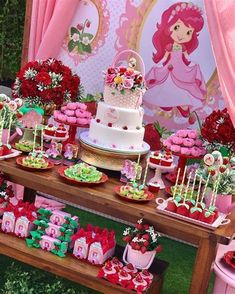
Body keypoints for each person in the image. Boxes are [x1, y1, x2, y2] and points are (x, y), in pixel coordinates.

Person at [144, 2, 206, 118]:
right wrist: (161, 62)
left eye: (188, 32)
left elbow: (187, 57)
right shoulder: (168, 47)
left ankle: (182, 105)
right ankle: (166, 102)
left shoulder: (183, 47)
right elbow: (165, 57)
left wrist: (192, 63)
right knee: (166, 84)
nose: (182, 35)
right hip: (170, 67)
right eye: (177, 27)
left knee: (182, 85)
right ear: (169, 25)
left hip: (180, 68)